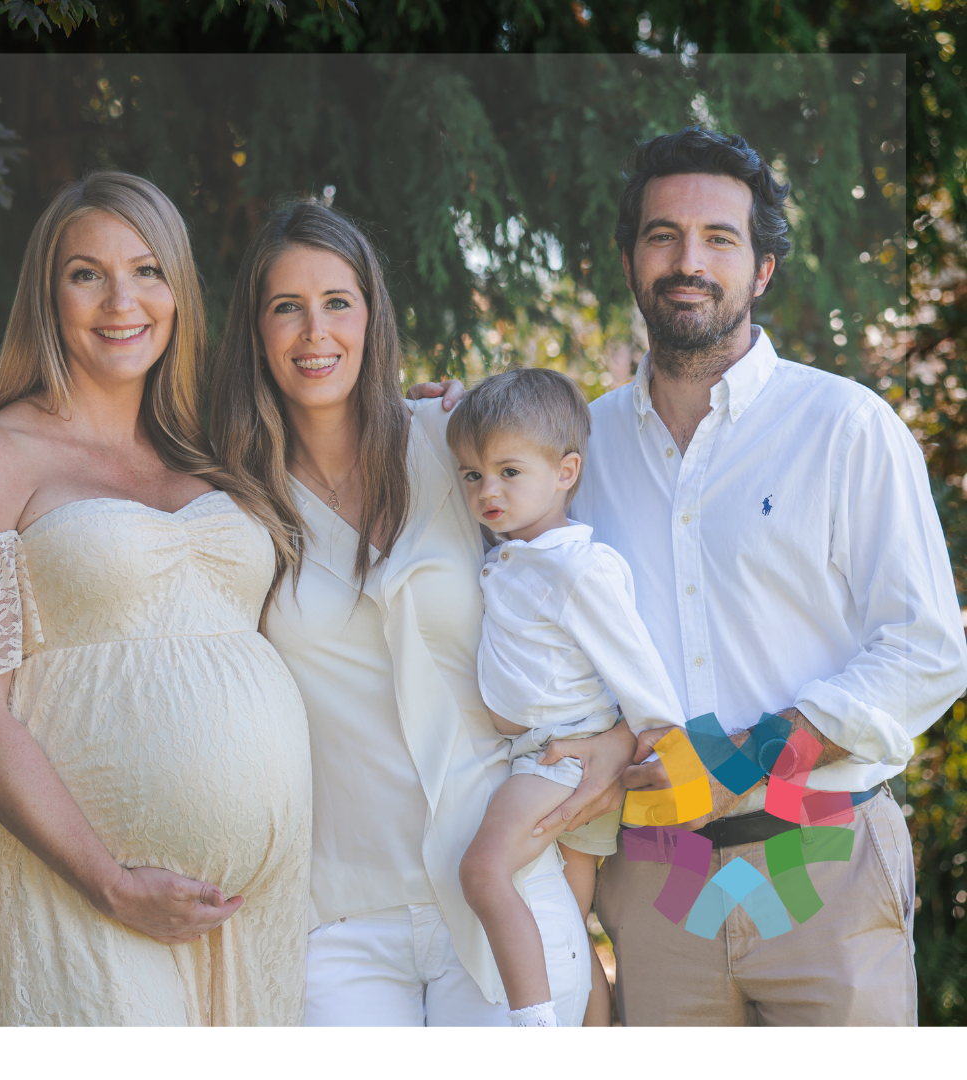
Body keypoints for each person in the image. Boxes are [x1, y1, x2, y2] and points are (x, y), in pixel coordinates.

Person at [414, 127, 967, 1025]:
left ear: (761, 271)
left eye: (719, 238)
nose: (688, 260)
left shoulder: (843, 427)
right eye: (663, 235)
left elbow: (928, 650)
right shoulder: (572, 453)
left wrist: (747, 757)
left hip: (818, 848)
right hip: (659, 873)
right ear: (631, 260)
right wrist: (424, 422)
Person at [0, 172, 313, 1025]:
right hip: (83, 894)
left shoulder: (220, 455)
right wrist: (113, 886)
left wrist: (425, 416)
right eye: (87, 273)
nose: (122, 299)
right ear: (49, 295)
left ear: (179, 291)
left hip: (262, 905)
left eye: (148, 270)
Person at [208, 200, 638, 1026]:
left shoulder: (456, 443)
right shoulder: (235, 501)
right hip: (339, 916)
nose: (314, 332)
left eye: (337, 302)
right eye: (285, 307)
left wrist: (617, 741)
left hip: (502, 885)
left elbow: (579, 593)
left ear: (371, 315)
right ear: (254, 331)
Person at [447, 367, 687, 1026]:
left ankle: (533, 1026)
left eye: (508, 472)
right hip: (547, 756)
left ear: (566, 471)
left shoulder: (577, 567)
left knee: (482, 871)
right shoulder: (512, 557)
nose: (487, 490)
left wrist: (677, 769)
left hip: (559, 760)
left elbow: (641, 674)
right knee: (575, 934)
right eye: (472, 475)